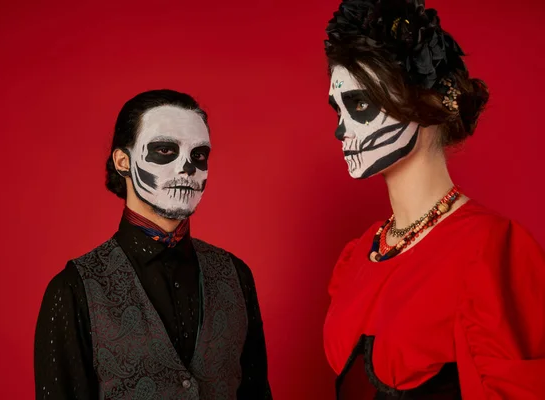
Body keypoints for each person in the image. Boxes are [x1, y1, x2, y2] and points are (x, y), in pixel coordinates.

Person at [322, 0, 545, 398]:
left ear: (424, 104)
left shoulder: (489, 249)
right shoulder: (359, 254)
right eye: (337, 109)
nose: (341, 130)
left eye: (359, 104)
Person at [34, 89, 272, 399]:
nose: (187, 167)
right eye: (164, 150)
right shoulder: (72, 290)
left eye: (199, 155)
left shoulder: (236, 276)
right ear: (123, 161)